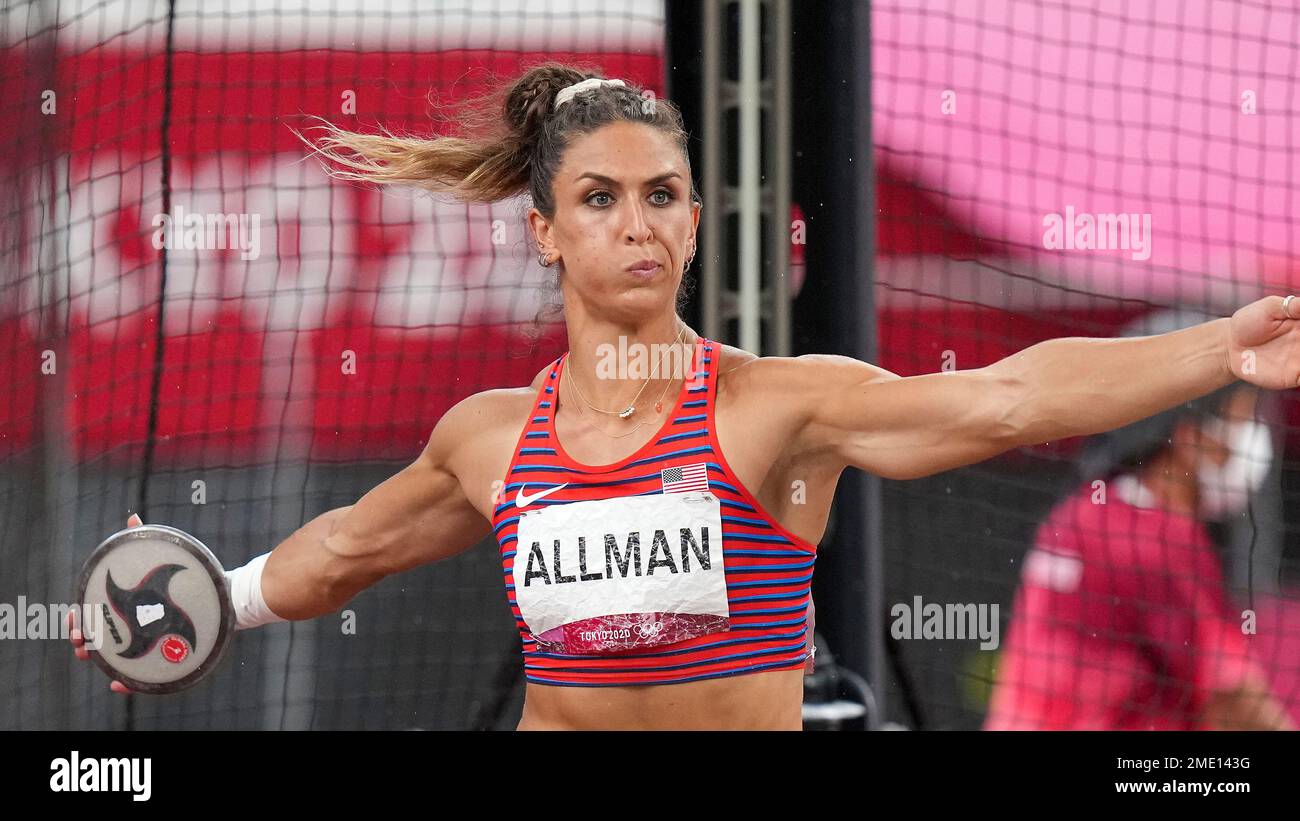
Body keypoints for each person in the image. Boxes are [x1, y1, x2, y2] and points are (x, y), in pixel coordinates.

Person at [71, 64, 1300, 730]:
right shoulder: (488, 438)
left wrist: (1223, 351)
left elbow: (1008, 399)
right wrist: (189, 600)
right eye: (600, 197)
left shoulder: (778, 410)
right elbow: (341, 551)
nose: (638, 222)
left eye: (662, 193)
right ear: (545, 233)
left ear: (699, 219)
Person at [985, 311, 1295, 730]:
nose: (1253, 436)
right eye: (1241, 418)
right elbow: (1231, 697)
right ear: (1188, 437)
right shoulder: (1158, 540)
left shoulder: (1080, 511)